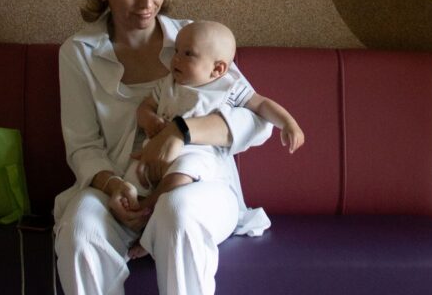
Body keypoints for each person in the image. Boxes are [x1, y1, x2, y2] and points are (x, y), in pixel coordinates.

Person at [54, 0, 278, 295]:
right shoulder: (78, 53)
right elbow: (82, 145)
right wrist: (112, 186)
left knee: (178, 212)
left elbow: (255, 120)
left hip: (199, 186)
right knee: (80, 227)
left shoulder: (197, 40)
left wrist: (181, 131)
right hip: (121, 185)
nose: (147, 2)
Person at [122, 19, 305, 218]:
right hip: (155, 149)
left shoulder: (228, 88)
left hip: (198, 155)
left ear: (217, 69)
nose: (176, 59)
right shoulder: (168, 84)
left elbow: (260, 104)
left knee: (182, 175)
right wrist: (150, 120)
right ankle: (134, 217)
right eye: (176, 51)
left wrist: (288, 123)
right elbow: (145, 107)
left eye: (188, 54)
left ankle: (149, 209)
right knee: (133, 177)